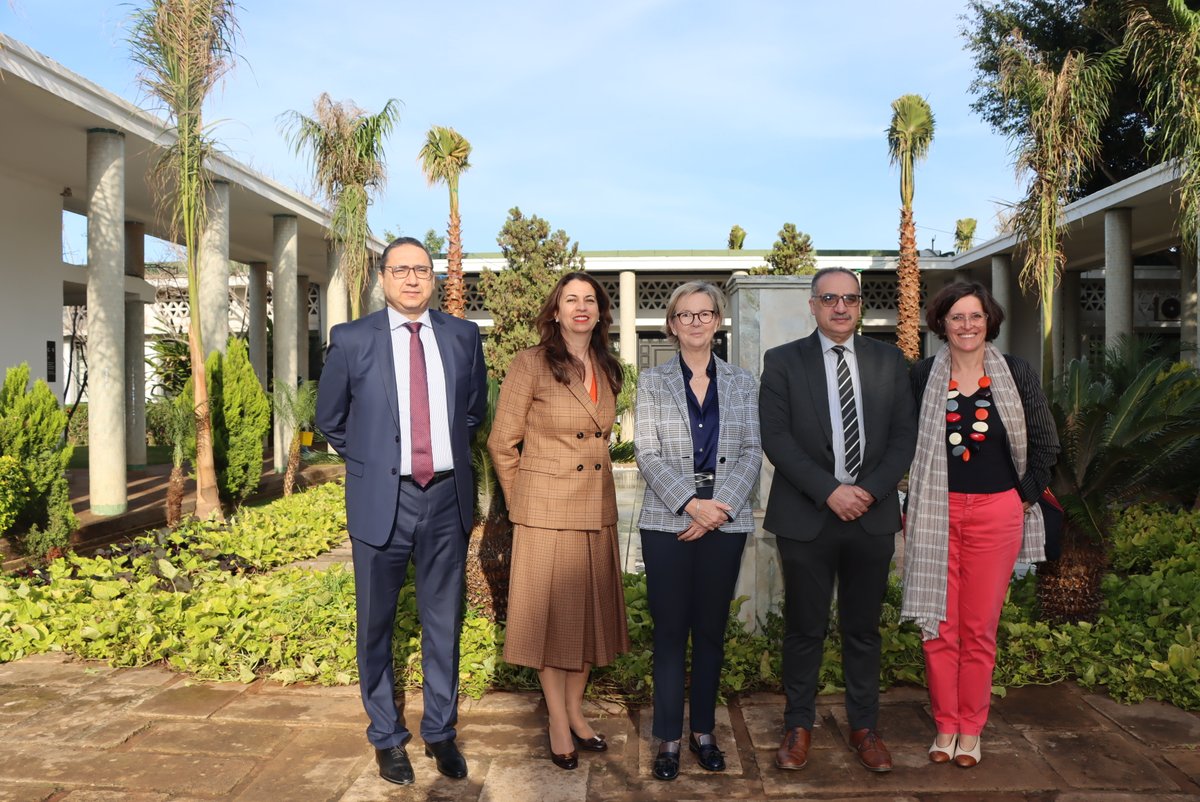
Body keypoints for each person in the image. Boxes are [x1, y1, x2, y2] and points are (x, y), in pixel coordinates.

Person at [315, 237, 487, 787]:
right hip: (381, 501)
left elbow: (473, 412)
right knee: (376, 624)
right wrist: (378, 462)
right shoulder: (351, 339)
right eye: (400, 270)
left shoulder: (462, 337)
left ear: (433, 278)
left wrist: (436, 456)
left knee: (443, 622)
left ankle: (440, 731)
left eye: (421, 270)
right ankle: (387, 736)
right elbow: (330, 418)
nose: (412, 279)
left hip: (446, 498)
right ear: (383, 278)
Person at [759, 266, 917, 774]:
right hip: (807, 517)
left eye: (850, 298)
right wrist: (830, 492)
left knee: (863, 630)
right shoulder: (782, 361)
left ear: (860, 305)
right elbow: (776, 438)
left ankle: (865, 728)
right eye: (830, 298)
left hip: (870, 516)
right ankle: (798, 726)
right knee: (804, 628)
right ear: (813, 305)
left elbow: (904, 437)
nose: (841, 307)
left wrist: (867, 492)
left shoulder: (889, 361)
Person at [902, 281, 1059, 769]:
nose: (967, 325)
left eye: (975, 316)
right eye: (957, 317)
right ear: (941, 323)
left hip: (997, 514)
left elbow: (1045, 442)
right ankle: (945, 725)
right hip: (936, 512)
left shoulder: (1016, 372)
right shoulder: (922, 375)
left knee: (978, 628)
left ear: (989, 321)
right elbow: (902, 441)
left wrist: (1021, 497)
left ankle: (971, 729)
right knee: (937, 625)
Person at [488, 271, 630, 771]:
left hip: (596, 509)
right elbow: (501, 443)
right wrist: (524, 502)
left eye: (590, 299)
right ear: (556, 310)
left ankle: (575, 712)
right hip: (546, 512)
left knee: (588, 619)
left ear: (600, 312)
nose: (581, 307)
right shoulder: (530, 363)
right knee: (553, 623)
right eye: (571, 299)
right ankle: (556, 720)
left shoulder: (608, 366)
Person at [634, 282, 762, 781]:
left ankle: (704, 732)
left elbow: (752, 451)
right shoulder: (652, 381)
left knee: (710, 631)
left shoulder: (743, 382)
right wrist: (690, 505)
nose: (694, 322)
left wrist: (718, 509)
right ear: (672, 324)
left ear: (717, 321)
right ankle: (668, 736)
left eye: (704, 313)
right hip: (667, 520)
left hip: (725, 520)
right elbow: (646, 452)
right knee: (670, 633)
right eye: (684, 315)